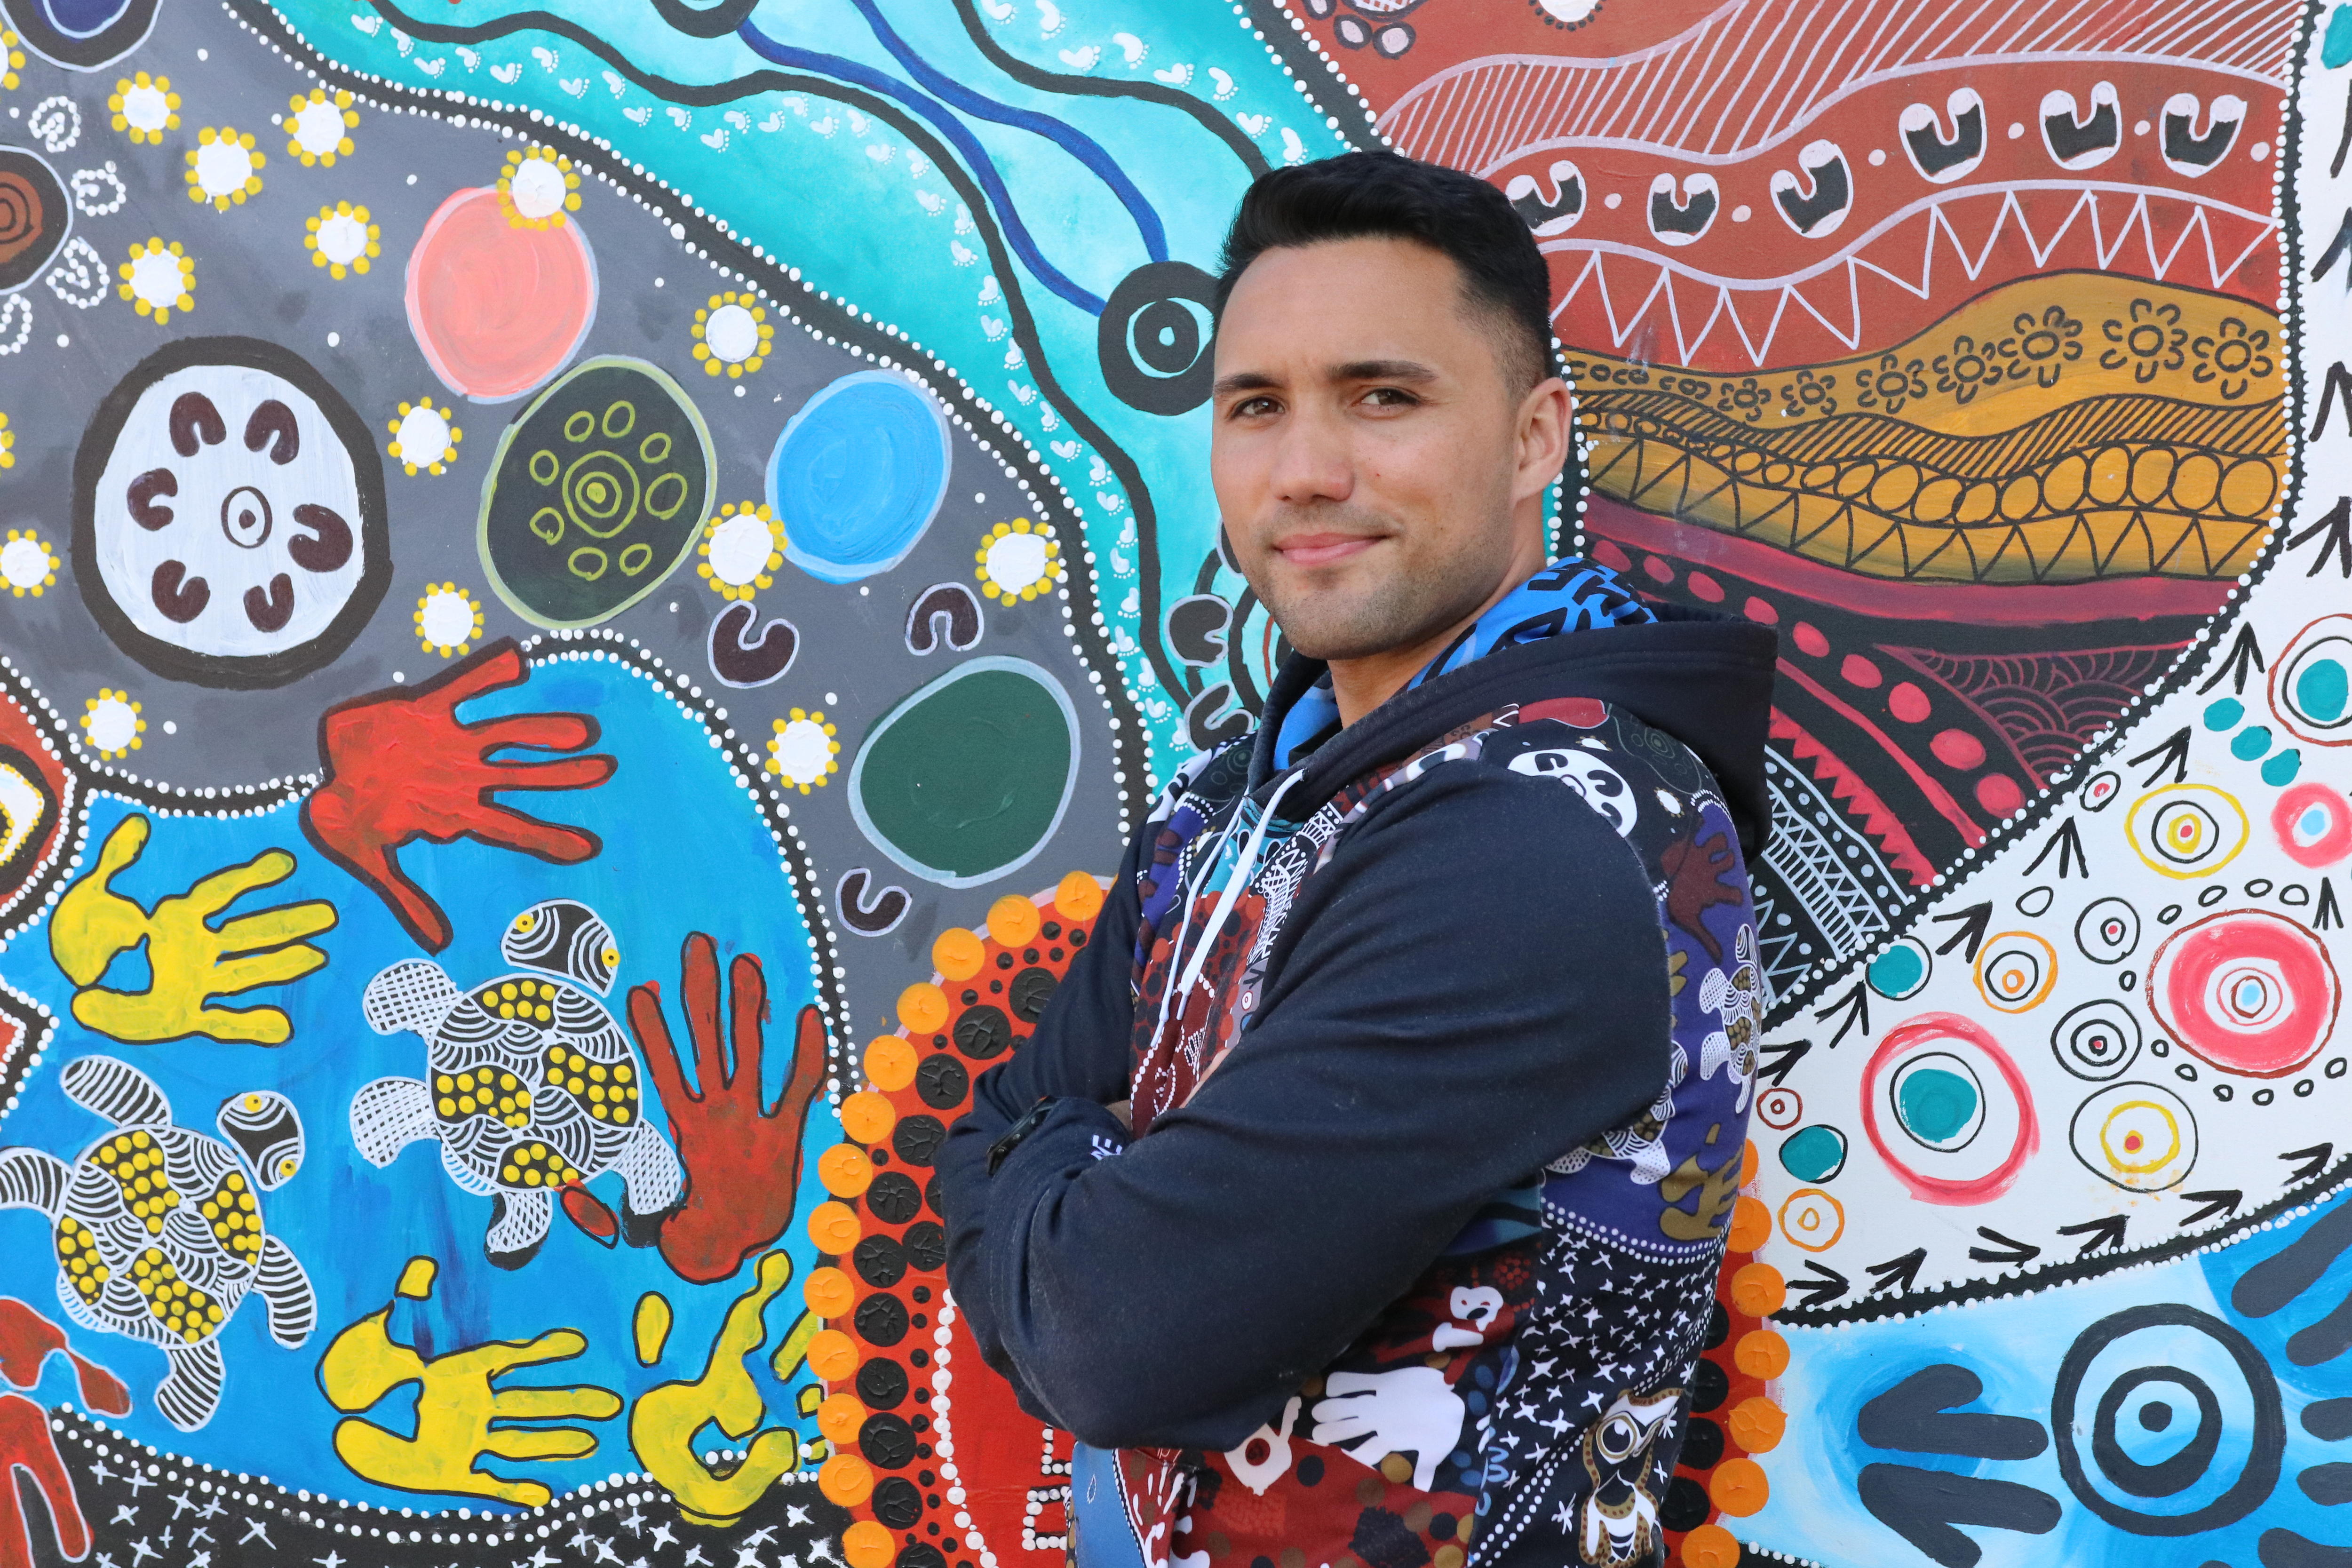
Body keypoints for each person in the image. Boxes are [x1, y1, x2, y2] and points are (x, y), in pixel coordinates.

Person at [936, 149, 1777, 1568]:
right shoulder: (1240, 800)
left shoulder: (1544, 828)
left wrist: (1073, 1190)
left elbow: (1112, 1338)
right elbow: (981, 1130)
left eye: (1383, 397)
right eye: (1256, 407)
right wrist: (1065, 1200)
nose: (1308, 469)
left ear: (1533, 439)